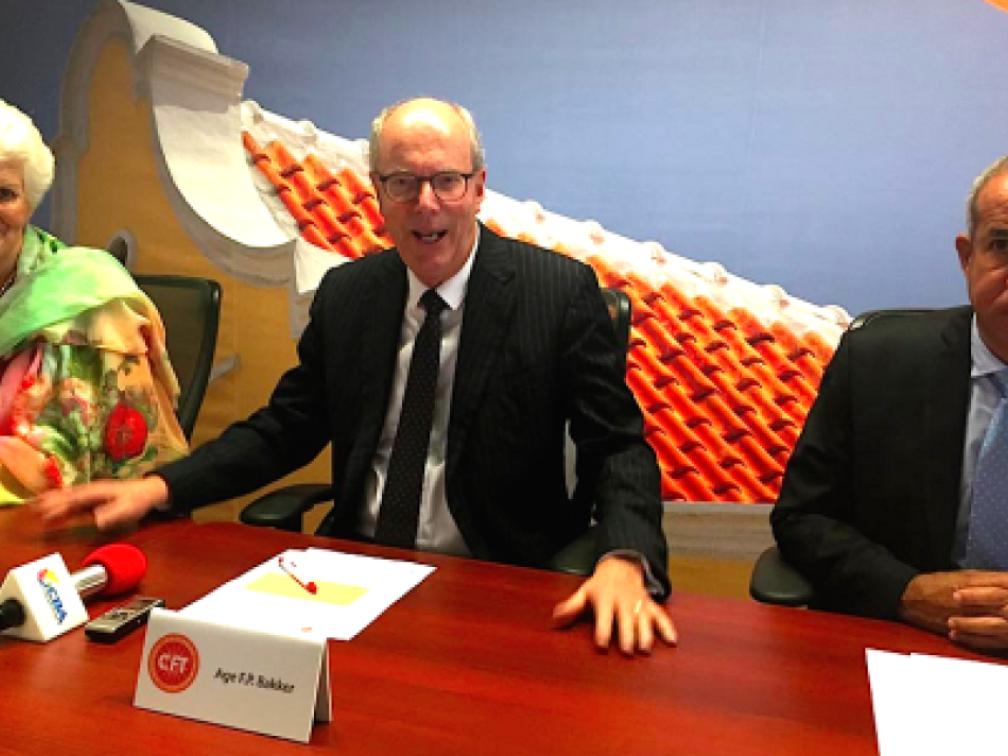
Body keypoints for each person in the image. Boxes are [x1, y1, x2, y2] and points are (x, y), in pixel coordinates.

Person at [32, 97, 676, 654]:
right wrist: (160, 487)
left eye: (447, 181)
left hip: (494, 577)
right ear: (377, 193)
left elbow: (617, 445)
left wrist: (625, 557)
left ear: (479, 187)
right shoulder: (350, 295)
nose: (426, 204)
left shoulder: (556, 294)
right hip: (351, 574)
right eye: (403, 183)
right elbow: (286, 428)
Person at [771, 155, 1008, 652]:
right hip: (905, 641)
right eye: (1002, 245)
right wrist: (906, 591)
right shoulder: (876, 360)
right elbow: (803, 519)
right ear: (967, 257)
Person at [0, 100, 187, 504]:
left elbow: (71, 460)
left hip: (61, 515)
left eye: (4, 194)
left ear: (29, 203)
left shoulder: (91, 300)